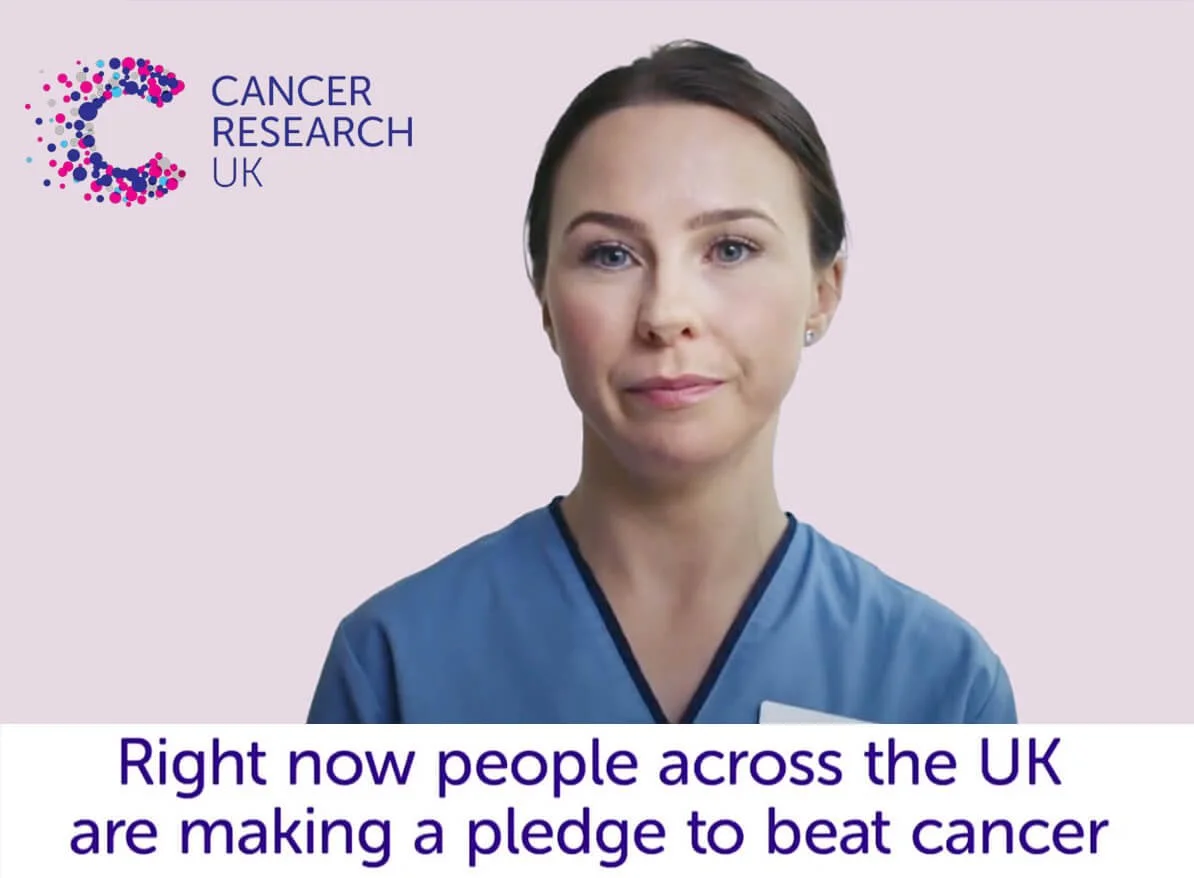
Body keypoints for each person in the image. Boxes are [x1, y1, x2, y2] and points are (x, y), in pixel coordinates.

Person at [307, 39, 1016, 724]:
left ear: (823, 292)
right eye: (611, 254)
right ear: (546, 304)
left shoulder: (939, 684)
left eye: (730, 248)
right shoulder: (395, 666)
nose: (666, 314)